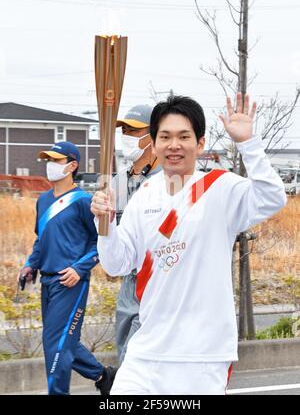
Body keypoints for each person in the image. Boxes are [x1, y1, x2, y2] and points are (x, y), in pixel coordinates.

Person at [91, 94, 287, 395]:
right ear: (154, 143)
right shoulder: (144, 195)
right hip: (147, 352)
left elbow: (273, 197)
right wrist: (105, 226)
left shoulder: (221, 188)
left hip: (202, 356)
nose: (174, 145)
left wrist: (248, 144)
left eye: (184, 136)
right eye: (165, 136)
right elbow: (117, 263)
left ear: (200, 142)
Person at [18, 141, 115, 395]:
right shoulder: (43, 200)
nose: (50, 165)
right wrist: (30, 265)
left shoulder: (84, 201)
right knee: (60, 343)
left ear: (72, 165)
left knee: (57, 345)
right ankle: (104, 376)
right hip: (47, 282)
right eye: (48, 160)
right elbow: (42, 240)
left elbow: (101, 242)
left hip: (70, 282)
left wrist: (80, 269)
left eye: (56, 160)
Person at [114, 104, 160, 364]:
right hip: (128, 283)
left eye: (134, 130)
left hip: (157, 279)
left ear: (152, 135)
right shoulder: (117, 182)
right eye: (124, 130)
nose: (127, 135)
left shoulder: (168, 180)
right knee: (124, 353)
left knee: (137, 360)